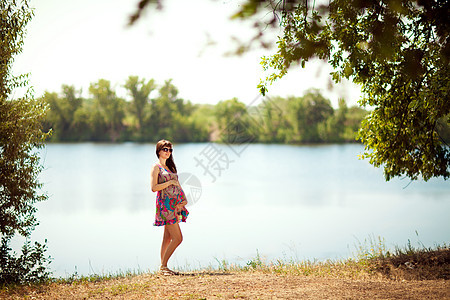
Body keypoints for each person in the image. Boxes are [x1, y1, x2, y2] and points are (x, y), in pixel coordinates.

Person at [150, 139, 188, 275]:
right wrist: (170, 181)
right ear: (159, 151)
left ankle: (163, 267)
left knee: (167, 238)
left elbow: (177, 183)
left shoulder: (170, 167)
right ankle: (163, 267)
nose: (168, 152)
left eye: (170, 150)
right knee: (178, 238)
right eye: (165, 149)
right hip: (165, 206)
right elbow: (154, 188)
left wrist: (184, 200)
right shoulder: (156, 167)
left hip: (175, 205)